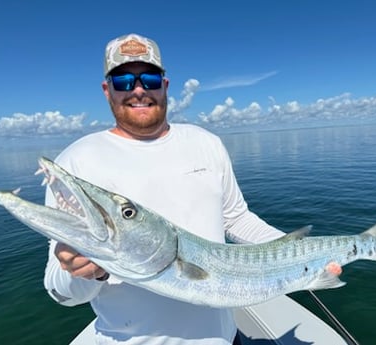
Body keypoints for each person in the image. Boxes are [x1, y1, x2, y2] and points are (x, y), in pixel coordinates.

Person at [44, 33, 285, 345]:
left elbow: (237, 219)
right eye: (124, 81)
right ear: (107, 91)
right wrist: (86, 271)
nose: (139, 89)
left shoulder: (206, 143)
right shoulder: (75, 163)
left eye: (150, 78)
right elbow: (60, 292)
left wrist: (306, 253)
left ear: (165, 85)